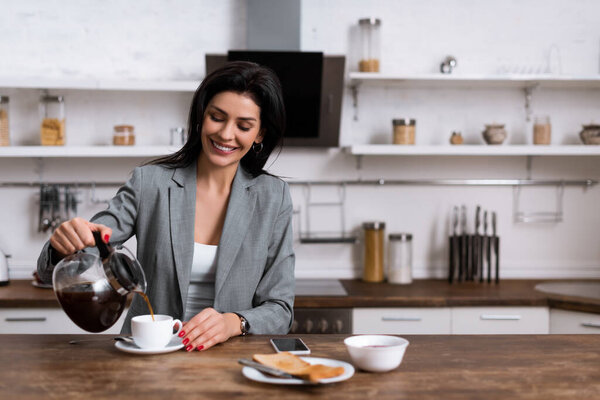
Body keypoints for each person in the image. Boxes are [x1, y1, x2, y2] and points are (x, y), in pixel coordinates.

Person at [37, 61, 295, 352]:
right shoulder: (150, 183)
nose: (225, 134)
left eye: (243, 126)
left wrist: (234, 322)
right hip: (149, 356)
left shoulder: (274, 196)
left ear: (259, 134)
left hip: (231, 361)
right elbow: (89, 249)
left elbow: (281, 309)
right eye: (217, 117)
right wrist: (65, 245)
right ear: (201, 116)